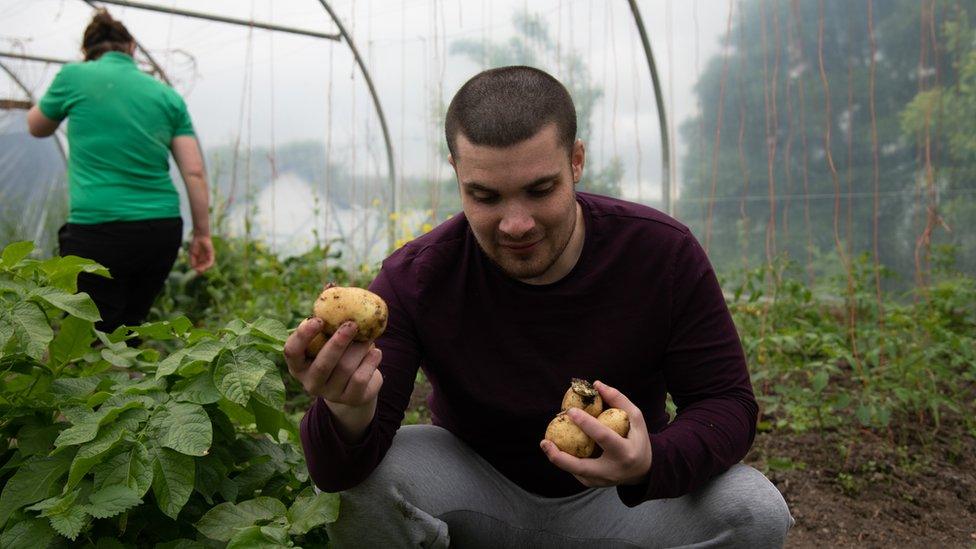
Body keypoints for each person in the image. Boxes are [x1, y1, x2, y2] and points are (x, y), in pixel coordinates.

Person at [285, 66, 793, 548]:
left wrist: (649, 461)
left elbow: (726, 403)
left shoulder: (660, 253)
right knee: (363, 490)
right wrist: (347, 410)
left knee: (752, 510)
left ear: (576, 161)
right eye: (484, 196)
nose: (515, 223)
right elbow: (338, 475)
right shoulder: (418, 276)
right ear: (456, 173)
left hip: (622, 500)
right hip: (474, 492)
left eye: (540, 189)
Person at [27, 9, 214, 334]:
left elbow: (37, 126)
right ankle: (130, 379)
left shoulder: (73, 77)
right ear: (132, 49)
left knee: (89, 336)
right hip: (159, 231)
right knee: (129, 328)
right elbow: (194, 171)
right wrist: (202, 234)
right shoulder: (167, 95)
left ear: (87, 52)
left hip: (98, 231)